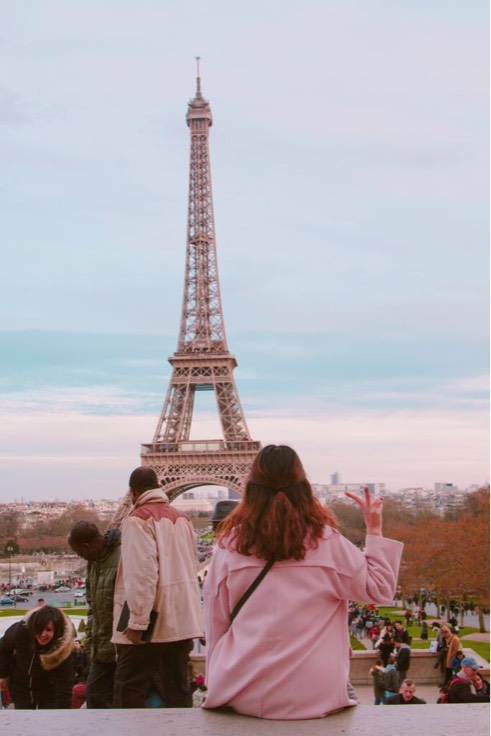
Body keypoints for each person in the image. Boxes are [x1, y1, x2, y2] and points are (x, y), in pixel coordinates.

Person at [203, 444, 403, 720]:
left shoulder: (229, 545)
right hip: (317, 692)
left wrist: (216, 680)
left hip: (242, 689)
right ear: (303, 487)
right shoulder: (327, 541)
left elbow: (216, 624)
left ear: (251, 488)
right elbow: (380, 588)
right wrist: (374, 529)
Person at [112, 466, 203, 708]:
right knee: (176, 685)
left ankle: (131, 727)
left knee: (128, 684)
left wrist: (137, 622)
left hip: (150, 615)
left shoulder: (136, 520)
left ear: (133, 492)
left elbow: (141, 576)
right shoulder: (183, 519)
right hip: (181, 615)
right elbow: (191, 566)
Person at [68, 521, 121, 708]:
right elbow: (92, 607)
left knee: (115, 696)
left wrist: (123, 634)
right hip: (103, 647)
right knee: (95, 695)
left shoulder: (121, 556)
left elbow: (131, 603)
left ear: (86, 546)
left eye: (80, 553)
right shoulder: (94, 563)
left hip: (121, 645)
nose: (80, 557)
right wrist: (90, 643)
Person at [0, 606, 74, 709]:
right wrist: (3, 674)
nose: (43, 634)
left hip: (48, 692)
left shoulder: (62, 648)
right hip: (20, 686)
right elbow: (3, 647)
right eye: (40, 628)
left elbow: (65, 683)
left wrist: (63, 712)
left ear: (57, 631)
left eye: (48, 630)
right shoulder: (20, 631)